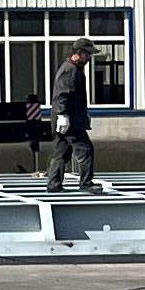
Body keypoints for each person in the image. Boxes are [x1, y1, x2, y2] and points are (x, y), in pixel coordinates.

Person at [45, 38, 100, 193]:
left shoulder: (72, 69)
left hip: (68, 119)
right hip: (70, 121)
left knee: (61, 153)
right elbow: (61, 95)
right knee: (85, 150)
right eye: (87, 54)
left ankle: (54, 185)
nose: (89, 58)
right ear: (79, 53)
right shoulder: (70, 70)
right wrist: (63, 115)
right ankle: (86, 184)